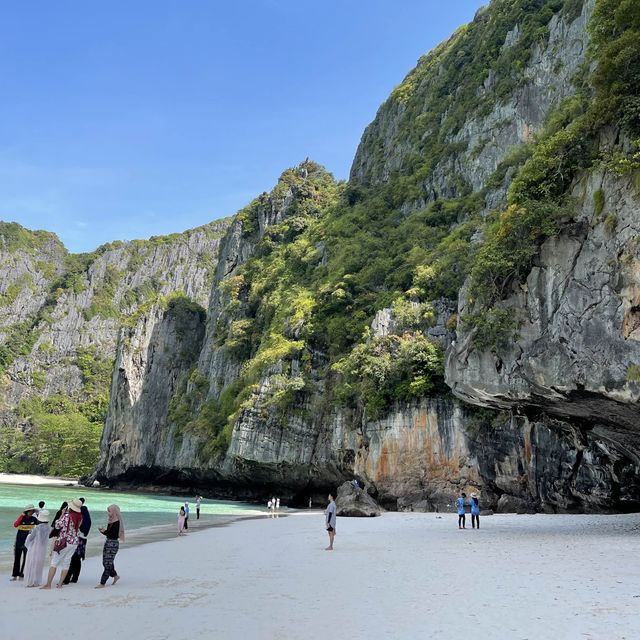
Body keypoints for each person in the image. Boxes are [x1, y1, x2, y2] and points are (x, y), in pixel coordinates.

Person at [41, 498, 83, 589]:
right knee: (66, 562)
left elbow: (57, 525)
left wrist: (62, 515)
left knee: (54, 562)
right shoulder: (80, 517)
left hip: (64, 542)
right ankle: (60, 584)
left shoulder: (67, 516)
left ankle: (48, 584)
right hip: (74, 542)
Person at [63, 497, 92, 584]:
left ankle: (67, 578)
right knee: (77, 559)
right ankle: (74, 577)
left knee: (72, 558)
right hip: (83, 540)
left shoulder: (80, 516)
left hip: (77, 539)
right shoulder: (86, 518)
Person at [95, 504, 125, 588]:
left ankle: (102, 583)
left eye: (109, 511)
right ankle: (115, 576)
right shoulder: (111, 520)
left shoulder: (116, 522)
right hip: (108, 542)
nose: (108, 512)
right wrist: (103, 531)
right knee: (106, 562)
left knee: (107, 563)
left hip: (113, 544)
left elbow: (113, 534)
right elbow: (109, 533)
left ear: (114, 512)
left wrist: (105, 531)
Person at [23, 509, 50, 587]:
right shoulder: (48, 527)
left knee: (31, 564)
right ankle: (36, 581)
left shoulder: (36, 528)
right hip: (42, 549)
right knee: (38, 565)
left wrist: (29, 534)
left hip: (34, 548)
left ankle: (29, 582)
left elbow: (30, 538)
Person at [11, 504, 38, 580]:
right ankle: (15, 575)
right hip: (19, 541)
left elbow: (40, 526)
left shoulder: (34, 519)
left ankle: (22, 574)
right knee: (17, 558)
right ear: (26, 511)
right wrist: (21, 515)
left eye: (32, 511)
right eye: (29, 511)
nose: (30, 512)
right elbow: (15, 525)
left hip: (29, 542)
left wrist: (38, 514)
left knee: (26, 559)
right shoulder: (22, 518)